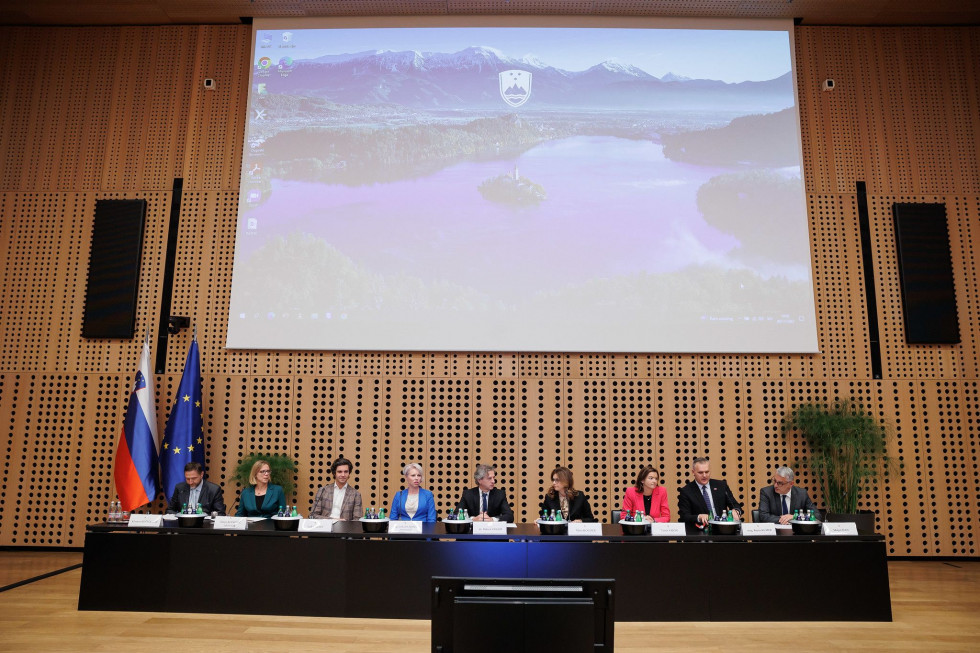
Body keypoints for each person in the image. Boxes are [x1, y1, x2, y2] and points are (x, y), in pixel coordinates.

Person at [677, 457, 744, 528]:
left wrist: (736, 511)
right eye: (700, 472)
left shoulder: (721, 485)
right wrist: (699, 517)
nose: (704, 475)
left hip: (723, 529)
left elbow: (735, 504)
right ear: (693, 472)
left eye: (707, 472)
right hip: (701, 531)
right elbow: (684, 516)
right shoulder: (686, 491)